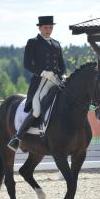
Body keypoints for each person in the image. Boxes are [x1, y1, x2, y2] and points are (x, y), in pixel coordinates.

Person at [7, 15, 66, 152]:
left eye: (50, 27)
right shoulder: (33, 42)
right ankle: (17, 137)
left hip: (56, 80)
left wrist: (62, 74)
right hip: (40, 81)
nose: (48, 30)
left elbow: (61, 64)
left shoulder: (56, 43)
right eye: (45, 27)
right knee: (37, 109)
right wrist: (42, 72)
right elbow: (27, 64)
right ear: (40, 28)